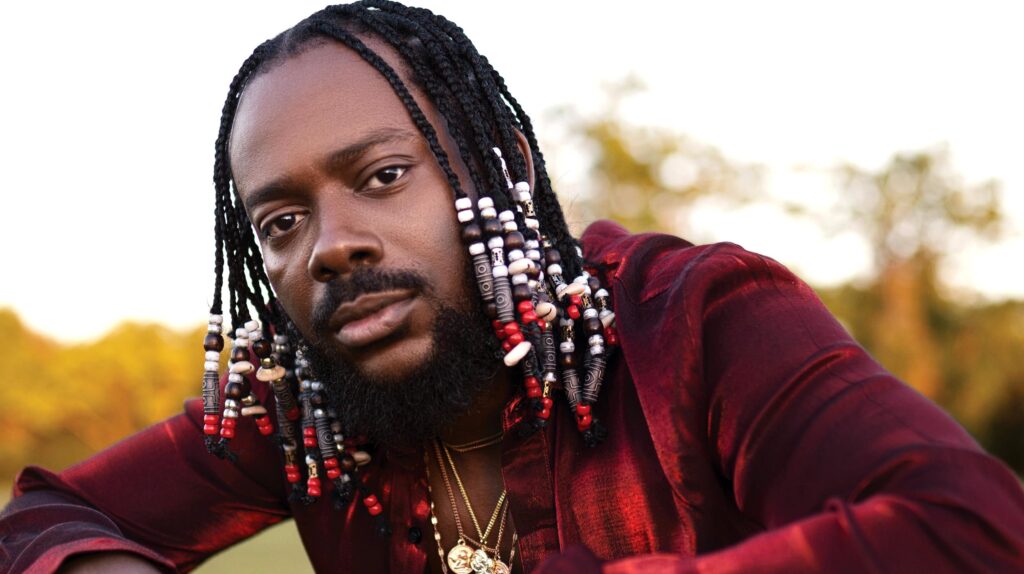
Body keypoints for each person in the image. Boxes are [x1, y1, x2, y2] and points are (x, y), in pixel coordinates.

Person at [3, 2, 1024, 573]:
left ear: (504, 169)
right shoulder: (308, 413)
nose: (331, 246)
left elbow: (970, 529)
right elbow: (42, 520)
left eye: (382, 176)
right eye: (281, 222)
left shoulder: (696, 320)